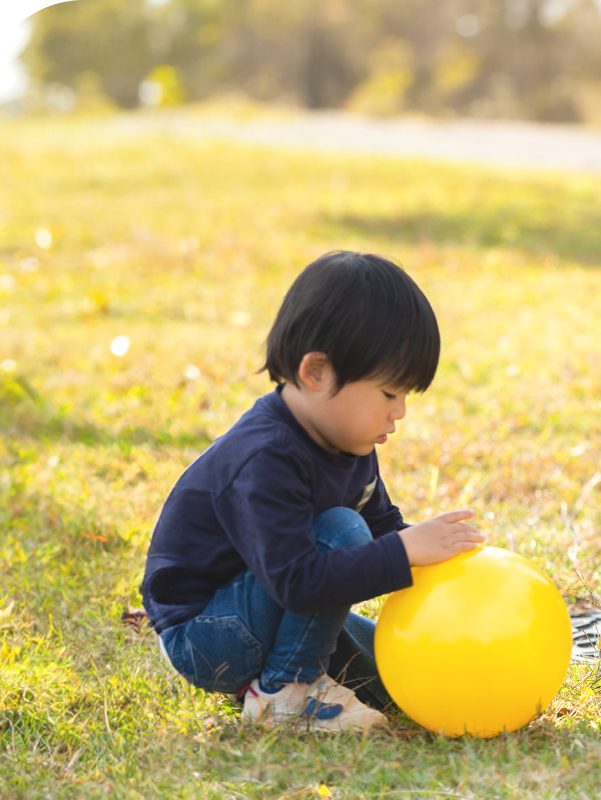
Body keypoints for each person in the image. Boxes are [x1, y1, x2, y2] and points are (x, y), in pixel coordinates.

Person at [141, 251, 485, 732]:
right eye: (389, 394)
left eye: (407, 396)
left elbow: (383, 526)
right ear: (316, 373)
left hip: (272, 608)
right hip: (208, 632)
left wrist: (445, 567)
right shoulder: (264, 459)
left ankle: (306, 676)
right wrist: (406, 550)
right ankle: (287, 692)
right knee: (342, 527)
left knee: (389, 671)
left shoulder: (350, 440)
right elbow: (299, 581)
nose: (401, 412)